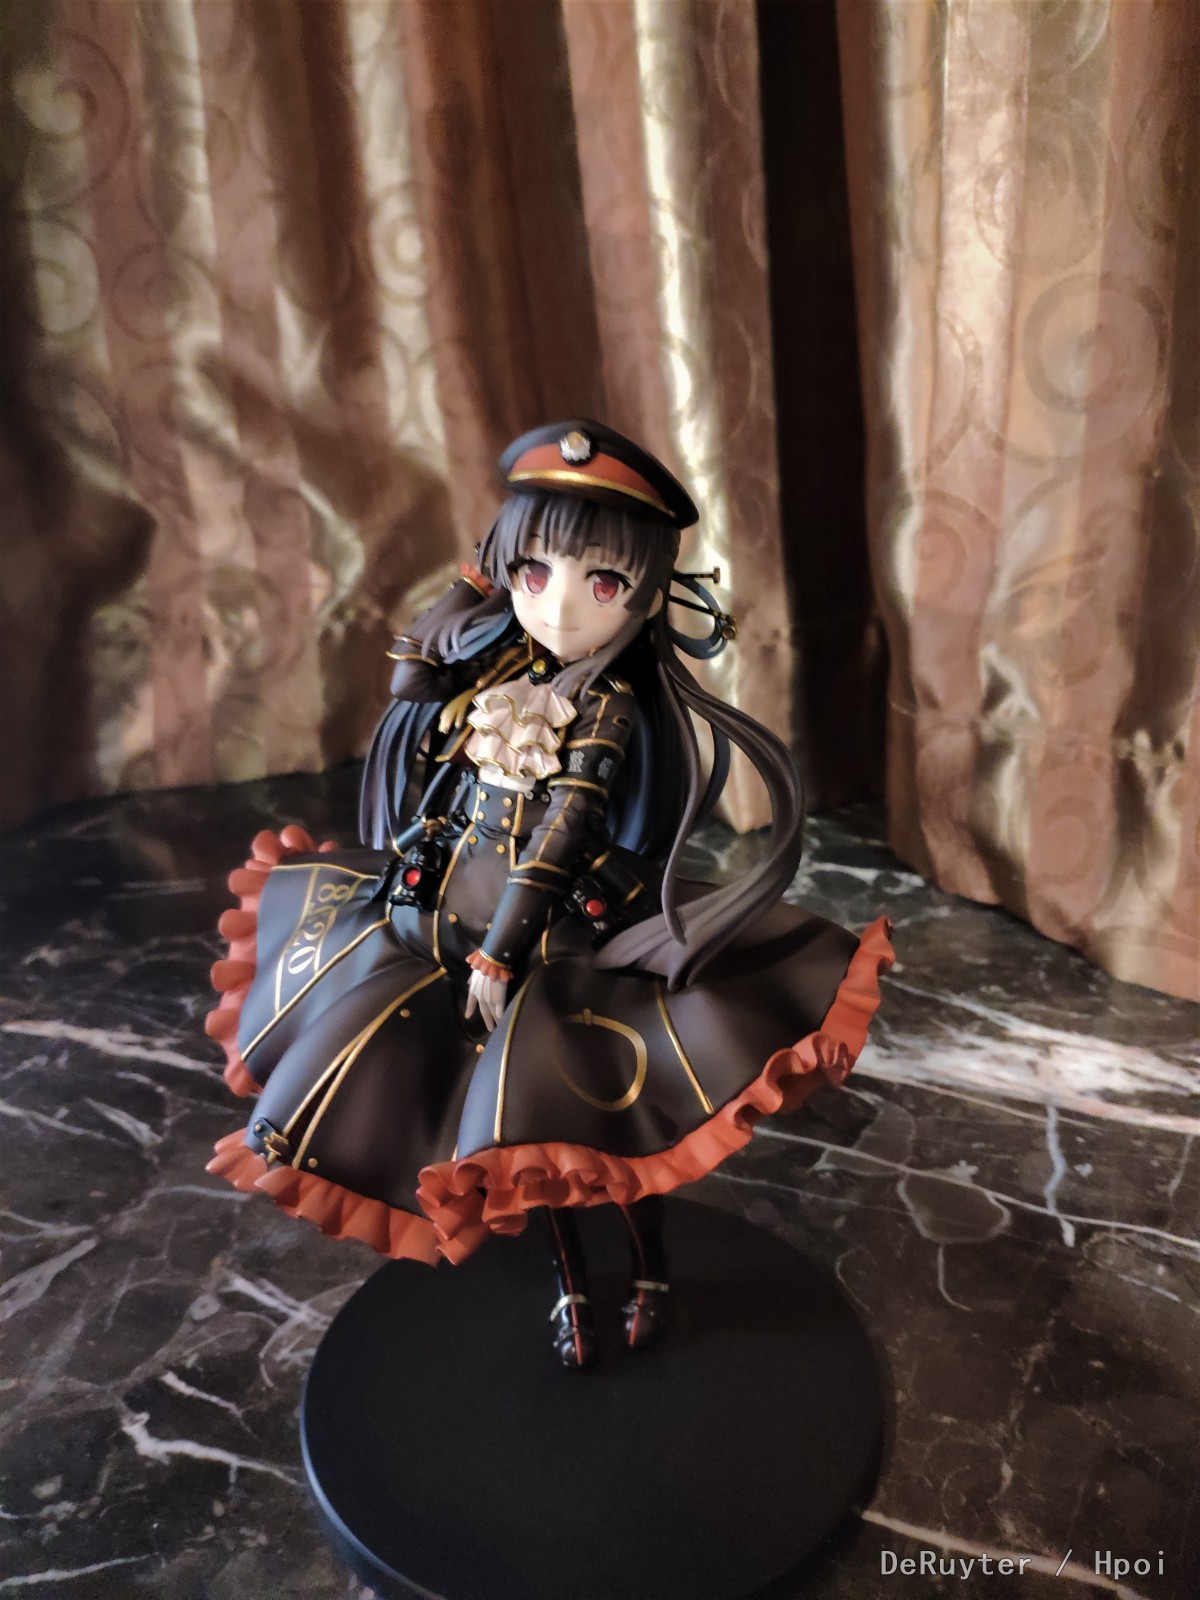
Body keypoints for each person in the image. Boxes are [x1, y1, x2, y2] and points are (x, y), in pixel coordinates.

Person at [205, 420, 893, 1369]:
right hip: (444, 915)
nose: (560, 605)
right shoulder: (502, 669)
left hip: (549, 940)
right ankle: (572, 1284)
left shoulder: (607, 706)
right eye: (535, 572)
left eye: (601, 583)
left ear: (646, 593)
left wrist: (502, 952)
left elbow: (564, 834)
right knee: (510, 1147)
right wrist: (475, 582)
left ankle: (647, 1267)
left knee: (572, 1127)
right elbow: (411, 678)